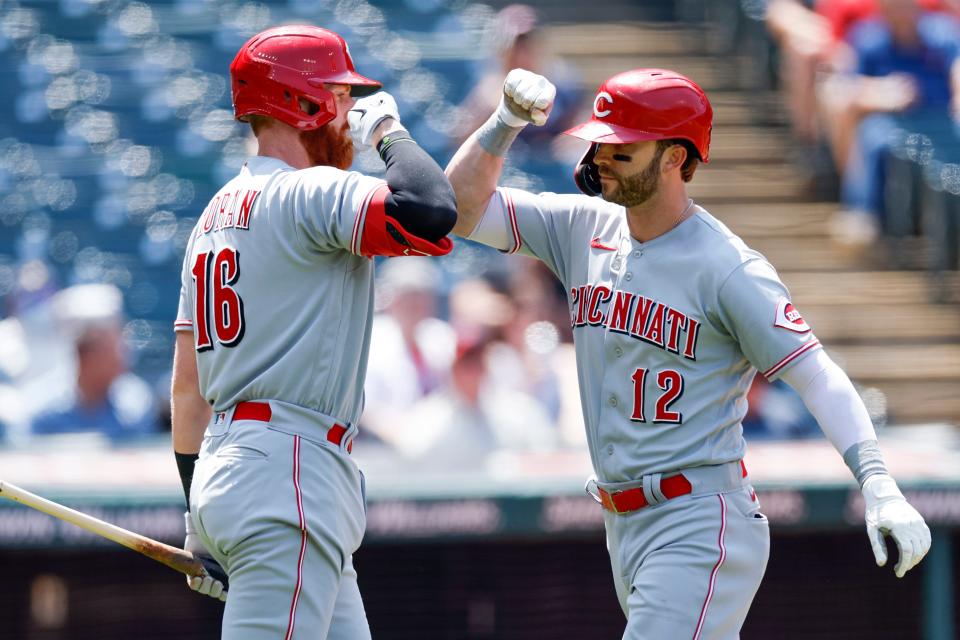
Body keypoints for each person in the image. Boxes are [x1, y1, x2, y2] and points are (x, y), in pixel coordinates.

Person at [445, 67, 931, 638]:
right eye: (599, 142)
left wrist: (878, 483)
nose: (601, 156)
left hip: (698, 519)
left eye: (622, 148)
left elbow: (816, 375)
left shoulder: (728, 267)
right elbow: (458, 207)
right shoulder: (582, 225)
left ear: (675, 157)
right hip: (623, 521)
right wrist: (503, 125)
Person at [170, 25, 456, 638]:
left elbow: (188, 390)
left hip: (235, 467)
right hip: (288, 473)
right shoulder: (309, 190)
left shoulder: (212, 215)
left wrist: (199, 511)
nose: (350, 113)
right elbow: (431, 208)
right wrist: (388, 134)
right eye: (341, 96)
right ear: (302, 103)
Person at [31, 283, 158, 442]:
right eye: (108, 345)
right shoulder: (42, 411)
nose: (122, 353)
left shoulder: (136, 404)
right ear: (83, 352)